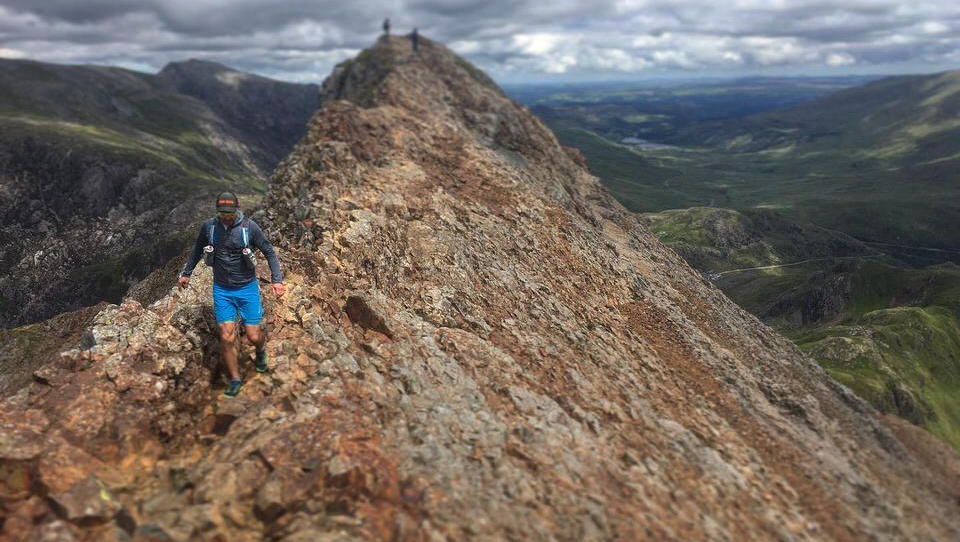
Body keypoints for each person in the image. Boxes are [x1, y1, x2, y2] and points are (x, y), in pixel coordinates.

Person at [178, 191, 285, 397]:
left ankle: (260, 350)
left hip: (247, 288)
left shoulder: (249, 227)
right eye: (222, 213)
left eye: (230, 212)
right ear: (217, 210)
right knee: (226, 337)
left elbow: (269, 252)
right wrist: (186, 273)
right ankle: (235, 379)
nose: (226, 216)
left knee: (253, 336)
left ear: (237, 208)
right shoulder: (209, 227)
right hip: (222, 290)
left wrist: (277, 280)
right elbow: (197, 249)